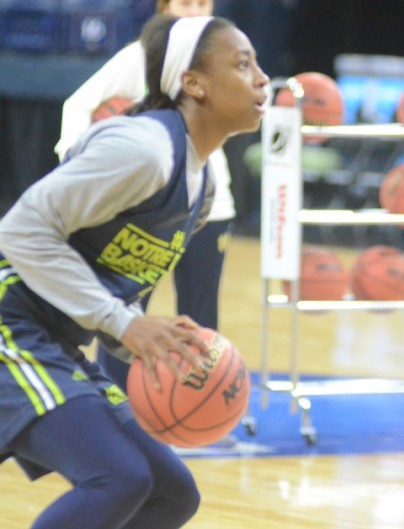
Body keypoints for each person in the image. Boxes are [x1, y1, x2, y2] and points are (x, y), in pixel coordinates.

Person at [0, 14, 269, 529]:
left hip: (52, 338)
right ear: (193, 83)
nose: (262, 79)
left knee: (171, 494)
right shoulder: (141, 150)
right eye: (242, 65)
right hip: (10, 324)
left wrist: (158, 341)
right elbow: (19, 230)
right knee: (119, 477)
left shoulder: (202, 185)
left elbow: (110, 280)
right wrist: (124, 323)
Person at [55, 0, 236, 391]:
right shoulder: (138, 57)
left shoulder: (223, 61)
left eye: (202, 4)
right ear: (163, 9)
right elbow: (78, 105)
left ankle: (199, 407)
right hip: (145, 209)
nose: (194, 12)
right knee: (128, 318)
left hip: (208, 206)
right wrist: (75, 164)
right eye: (185, 3)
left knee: (200, 319)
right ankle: (116, 402)